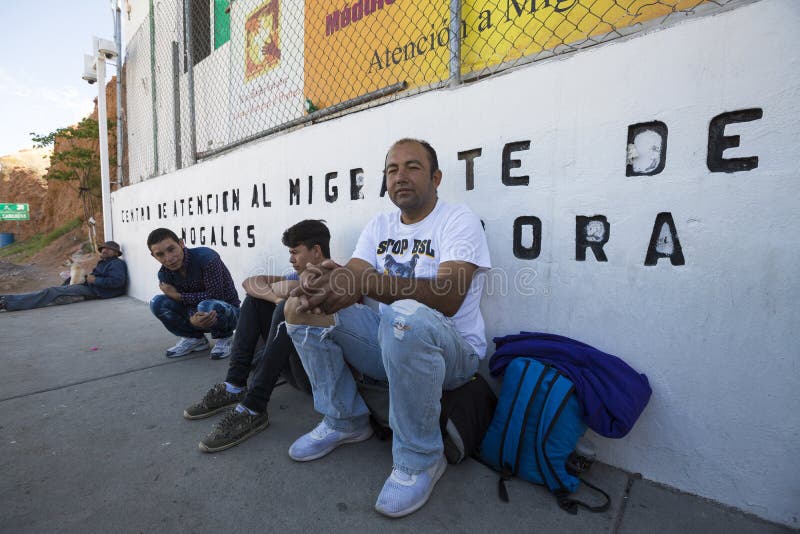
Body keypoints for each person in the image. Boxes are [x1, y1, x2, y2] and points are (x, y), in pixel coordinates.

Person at [284, 138, 491, 518]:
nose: (400, 176)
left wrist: (362, 284)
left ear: (436, 177)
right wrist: (329, 282)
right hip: (389, 342)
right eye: (392, 170)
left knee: (405, 315)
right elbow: (357, 276)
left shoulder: (458, 219)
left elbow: (447, 297)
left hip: (454, 355)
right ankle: (344, 418)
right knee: (300, 307)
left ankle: (420, 457)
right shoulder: (379, 224)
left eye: (412, 167)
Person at [184, 220, 331, 453]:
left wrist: (283, 299)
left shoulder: (337, 278)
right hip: (290, 365)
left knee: (287, 307)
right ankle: (234, 385)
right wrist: (276, 299)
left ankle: (253, 407)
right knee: (255, 301)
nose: (291, 258)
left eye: (295, 252)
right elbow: (251, 283)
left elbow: (296, 294)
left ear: (316, 251)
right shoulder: (296, 275)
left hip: (317, 376)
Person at [147, 228, 240, 359]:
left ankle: (224, 338)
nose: (168, 258)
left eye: (171, 249)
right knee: (157, 303)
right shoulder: (164, 274)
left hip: (228, 313)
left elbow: (216, 296)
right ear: (153, 256)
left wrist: (179, 296)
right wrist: (192, 318)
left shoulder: (207, 258)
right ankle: (194, 339)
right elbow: (180, 303)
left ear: (181, 243)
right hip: (196, 316)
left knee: (207, 305)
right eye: (160, 254)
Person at [0, 241, 128, 312]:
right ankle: (64, 294)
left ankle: (7, 302)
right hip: (89, 286)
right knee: (59, 288)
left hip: (96, 290)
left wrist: (95, 280)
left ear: (116, 253)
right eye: (104, 248)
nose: (105, 250)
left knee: (51, 291)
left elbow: (118, 282)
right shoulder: (104, 262)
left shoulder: (116, 263)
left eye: (109, 249)